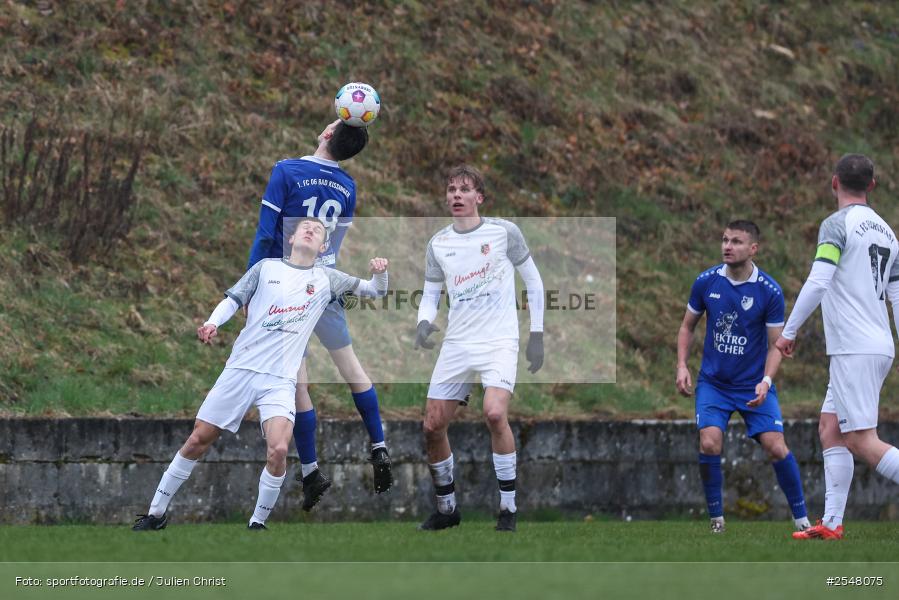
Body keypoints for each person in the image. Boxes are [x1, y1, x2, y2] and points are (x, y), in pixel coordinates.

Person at [133, 217, 389, 531]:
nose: (310, 229)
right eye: (305, 227)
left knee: (279, 449)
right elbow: (233, 300)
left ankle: (257, 524)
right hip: (240, 370)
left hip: (280, 380)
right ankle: (155, 514)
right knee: (198, 440)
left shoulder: (328, 279)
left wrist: (380, 273)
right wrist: (213, 323)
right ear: (292, 238)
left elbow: (376, 291)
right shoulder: (266, 268)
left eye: (318, 230)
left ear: (323, 247)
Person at [247, 119, 392, 512]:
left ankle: (311, 471)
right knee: (351, 367)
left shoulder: (288, 170)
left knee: (298, 382)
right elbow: (335, 242)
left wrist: (253, 285)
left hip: (285, 285)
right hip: (324, 281)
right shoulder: (348, 186)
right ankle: (378, 446)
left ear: (328, 134)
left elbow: (265, 234)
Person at [414, 165, 545, 533]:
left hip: (499, 341)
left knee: (493, 413)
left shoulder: (504, 233)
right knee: (432, 425)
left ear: (479, 197)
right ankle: (447, 509)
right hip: (458, 343)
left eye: (464, 189)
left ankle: (507, 508)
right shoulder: (439, 243)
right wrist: (423, 322)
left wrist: (536, 335)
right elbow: (430, 296)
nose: (456, 195)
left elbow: (534, 283)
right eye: (451, 189)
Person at [776, 154, 899, 541]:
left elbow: (818, 281)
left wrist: (788, 332)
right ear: (872, 186)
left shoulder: (836, 225)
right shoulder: (887, 232)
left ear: (834, 183)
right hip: (877, 345)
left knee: (861, 440)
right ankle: (831, 524)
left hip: (854, 347)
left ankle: (831, 523)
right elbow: (897, 296)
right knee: (830, 428)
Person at [676, 220, 811, 534]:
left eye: (736, 241)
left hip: (752, 384)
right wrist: (682, 365)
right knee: (709, 442)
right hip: (714, 383)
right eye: (725, 240)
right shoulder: (706, 282)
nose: (727, 246)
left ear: (753, 249)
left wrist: (766, 381)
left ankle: (802, 520)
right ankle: (717, 522)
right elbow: (687, 327)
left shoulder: (769, 291)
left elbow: (778, 344)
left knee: (776, 446)